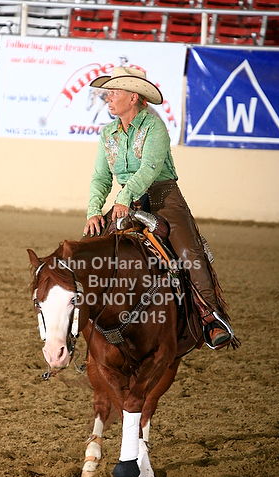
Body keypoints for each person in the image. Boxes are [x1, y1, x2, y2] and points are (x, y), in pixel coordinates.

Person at [83, 66, 234, 349]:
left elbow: (150, 169)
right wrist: (93, 211)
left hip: (164, 197)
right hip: (126, 201)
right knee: (89, 246)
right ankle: (86, 320)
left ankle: (211, 318)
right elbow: (101, 177)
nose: (107, 97)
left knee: (188, 252)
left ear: (133, 97)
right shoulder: (108, 134)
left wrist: (124, 198)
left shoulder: (155, 127)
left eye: (113, 92)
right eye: (107, 93)